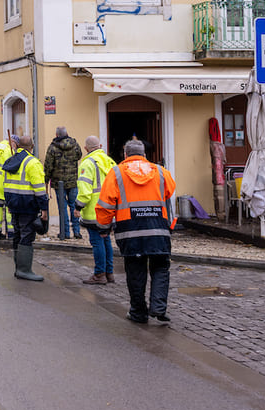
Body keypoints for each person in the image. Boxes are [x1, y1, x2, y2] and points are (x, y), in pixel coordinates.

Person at [97, 139, 176, 324]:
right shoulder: (160, 172)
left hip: (130, 232)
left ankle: (138, 312)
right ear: (145, 155)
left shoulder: (116, 173)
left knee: (135, 272)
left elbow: (105, 205)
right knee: (161, 267)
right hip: (158, 230)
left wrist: (103, 227)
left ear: (125, 155)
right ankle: (158, 307)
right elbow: (170, 190)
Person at [3, 134, 49, 281]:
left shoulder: (11, 160)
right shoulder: (33, 163)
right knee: (27, 236)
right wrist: (44, 209)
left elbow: (6, 184)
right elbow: (40, 190)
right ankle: (24, 270)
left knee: (17, 234)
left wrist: (9, 203)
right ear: (32, 147)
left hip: (14, 204)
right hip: (28, 206)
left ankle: (18, 267)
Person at [77, 136, 117, 284]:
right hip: (109, 209)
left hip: (94, 211)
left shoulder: (87, 164)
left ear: (86, 149)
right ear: (100, 145)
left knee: (97, 242)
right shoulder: (110, 161)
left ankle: (99, 274)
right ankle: (109, 273)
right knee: (106, 240)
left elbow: (85, 191)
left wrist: (77, 207)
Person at [43, 126, 83, 240]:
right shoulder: (75, 145)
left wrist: (46, 179)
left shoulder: (52, 148)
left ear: (56, 135)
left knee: (63, 207)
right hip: (73, 181)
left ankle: (65, 233)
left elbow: (48, 165)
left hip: (58, 182)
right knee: (74, 206)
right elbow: (79, 155)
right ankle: (77, 231)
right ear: (67, 133)